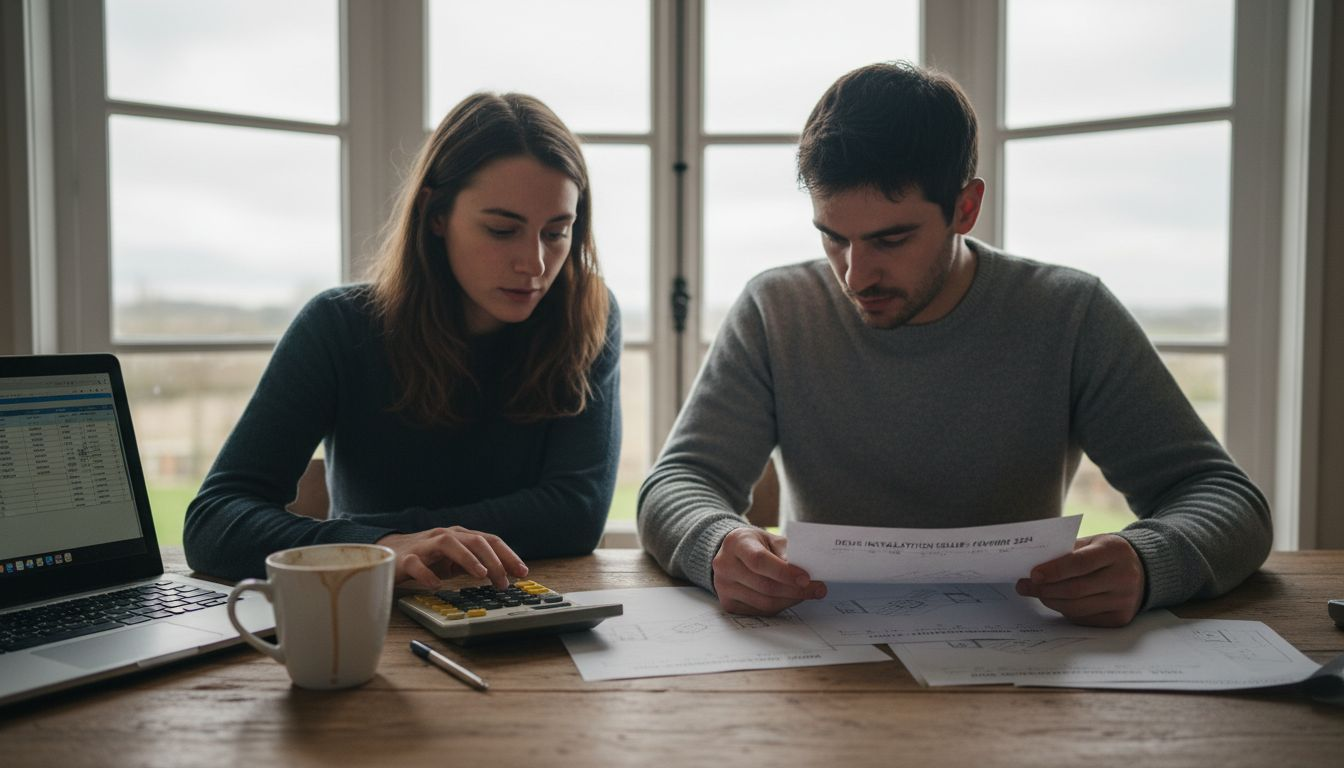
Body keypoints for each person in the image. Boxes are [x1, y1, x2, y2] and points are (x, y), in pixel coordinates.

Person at [637, 61, 1270, 627]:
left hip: (1021, 672)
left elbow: (1226, 500)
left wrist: (1149, 560)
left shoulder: (1068, 313)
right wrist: (715, 542)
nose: (855, 276)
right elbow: (679, 481)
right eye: (833, 237)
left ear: (966, 208)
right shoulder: (776, 308)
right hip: (825, 663)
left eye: (890, 240)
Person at [185, 93, 621, 589]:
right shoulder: (339, 325)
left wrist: (382, 533)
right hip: (369, 614)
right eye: (502, 230)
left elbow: (576, 514)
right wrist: (382, 546)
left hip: (525, 605)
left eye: (556, 233)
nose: (535, 264)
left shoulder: (588, 314)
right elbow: (212, 522)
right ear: (436, 215)